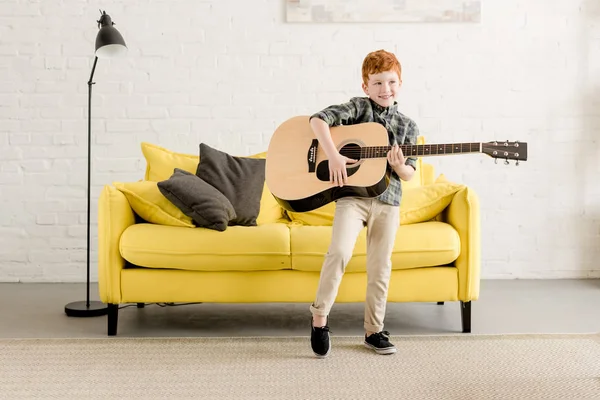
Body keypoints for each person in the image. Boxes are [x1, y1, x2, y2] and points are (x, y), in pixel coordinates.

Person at [308, 49, 419, 357]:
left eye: (392, 82)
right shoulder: (358, 109)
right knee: (339, 252)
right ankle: (319, 319)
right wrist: (332, 153)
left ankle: (374, 331)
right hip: (352, 198)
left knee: (380, 266)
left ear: (401, 83)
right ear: (365, 87)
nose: (386, 90)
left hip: (388, 201)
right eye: (378, 83)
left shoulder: (408, 126)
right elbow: (318, 120)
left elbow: (409, 173)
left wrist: (398, 166)